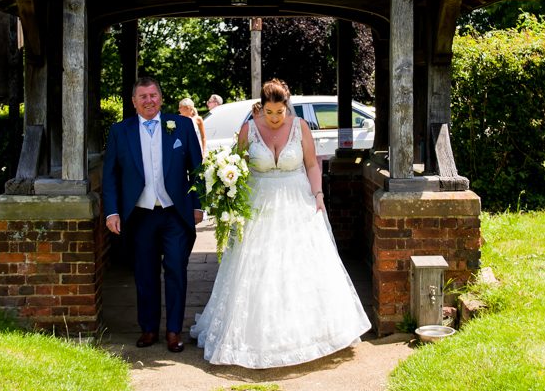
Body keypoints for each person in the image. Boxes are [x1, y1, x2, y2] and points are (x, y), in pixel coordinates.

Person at [191, 78, 370, 368]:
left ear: (287, 107)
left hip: (296, 201)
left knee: (297, 265)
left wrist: (318, 195)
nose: (275, 119)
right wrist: (228, 188)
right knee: (258, 267)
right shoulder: (249, 130)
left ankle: (307, 332)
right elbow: (239, 167)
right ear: (261, 108)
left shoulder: (300, 128)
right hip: (257, 206)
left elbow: (311, 164)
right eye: (270, 113)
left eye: (280, 112)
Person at [103, 77, 204, 352]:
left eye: (153, 95)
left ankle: (173, 331)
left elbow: (197, 168)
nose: (149, 100)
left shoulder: (181, 126)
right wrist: (112, 211)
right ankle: (148, 329)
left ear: (161, 97)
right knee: (144, 274)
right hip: (140, 214)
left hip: (175, 214)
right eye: (143, 96)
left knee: (175, 271)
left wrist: (198, 204)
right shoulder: (119, 131)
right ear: (134, 101)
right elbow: (110, 175)